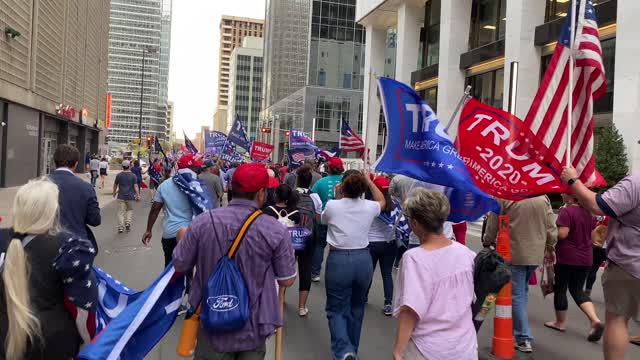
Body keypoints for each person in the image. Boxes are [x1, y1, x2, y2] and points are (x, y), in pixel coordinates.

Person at [173, 163, 297, 359]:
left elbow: (180, 264)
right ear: (262, 193)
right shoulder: (275, 230)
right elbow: (287, 279)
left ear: (231, 188)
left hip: (211, 318)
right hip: (254, 324)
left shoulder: (202, 223)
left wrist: (182, 238)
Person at [0, 178, 93, 359]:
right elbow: (84, 307)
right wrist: (87, 345)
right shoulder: (69, 247)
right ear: (53, 210)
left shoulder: (3, 239)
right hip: (53, 342)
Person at [561, 167, 640, 360]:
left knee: (617, 320)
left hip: (630, 264)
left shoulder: (636, 183)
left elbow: (599, 205)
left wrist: (573, 180)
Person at [393, 188, 477, 360]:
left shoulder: (414, 259)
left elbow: (410, 310)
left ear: (415, 223)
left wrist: (398, 351)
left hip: (428, 348)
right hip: (465, 346)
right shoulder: (466, 253)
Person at [322, 171, 385, 360]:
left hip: (339, 259)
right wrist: (369, 181)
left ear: (342, 187)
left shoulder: (333, 205)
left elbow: (323, 219)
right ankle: (352, 349)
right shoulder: (369, 207)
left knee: (336, 309)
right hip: (363, 259)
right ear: (362, 188)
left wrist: (337, 196)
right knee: (357, 308)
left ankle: (343, 350)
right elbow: (382, 200)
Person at [484, 195, 557, 353]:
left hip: (512, 250)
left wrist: (488, 240)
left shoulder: (506, 194)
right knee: (521, 292)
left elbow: (494, 220)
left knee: (516, 294)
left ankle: (523, 337)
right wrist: (550, 243)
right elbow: (551, 226)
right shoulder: (543, 198)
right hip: (535, 252)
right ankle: (518, 330)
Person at [544, 190, 604, 341]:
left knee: (561, 287)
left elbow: (563, 233)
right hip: (586, 257)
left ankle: (560, 322)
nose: (562, 194)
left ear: (571, 196)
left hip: (567, 256)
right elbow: (591, 235)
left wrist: (551, 231)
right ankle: (594, 319)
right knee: (577, 289)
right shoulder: (588, 213)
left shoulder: (566, 211)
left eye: (564, 193)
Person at [143, 154, 204, 267]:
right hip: (192, 234)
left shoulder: (164, 185)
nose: (198, 169)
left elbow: (155, 209)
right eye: (195, 167)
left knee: (170, 268)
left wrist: (148, 230)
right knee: (190, 268)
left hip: (170, 234)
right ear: (189, 169)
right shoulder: (198, 186)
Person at [49, 144, 101, 251]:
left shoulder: (36, 185)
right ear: (76, 163)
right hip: (76, 248)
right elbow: (95, 220)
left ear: (54, 161)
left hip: (43, 246)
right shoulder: (86, 188)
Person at [310, 157, 344, 282]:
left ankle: (315, 273)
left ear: (328, 168)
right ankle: (335, 273)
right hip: (341, 218)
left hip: (324, 217)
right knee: (337, 246)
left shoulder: (321, 182)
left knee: (319, 245)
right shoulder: (347, 182)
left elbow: (312, 197)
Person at [366, 175, 397, 316]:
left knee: (369, 272)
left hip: (372, 242)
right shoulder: (395, 204)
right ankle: (388, 303)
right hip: (390, 243)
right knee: (387, 274)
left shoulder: (371, 205)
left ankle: (363, 297)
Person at [113, 160, 140, 233]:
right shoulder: (133, 175)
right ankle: (127, 223)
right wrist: (138, 195)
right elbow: (136, 186)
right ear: (129, 166)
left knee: (120, 212)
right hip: (130, 197)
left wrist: (114, 192)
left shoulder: (119, 175)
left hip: (121, 196)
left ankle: (120, 227)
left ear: (122, 166)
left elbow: (115, 184)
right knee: (129, 210)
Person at [586, 216, 608, 296]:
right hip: (611, 248)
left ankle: (588, 290)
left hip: (599, 247)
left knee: (593, 269)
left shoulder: (602, 217)